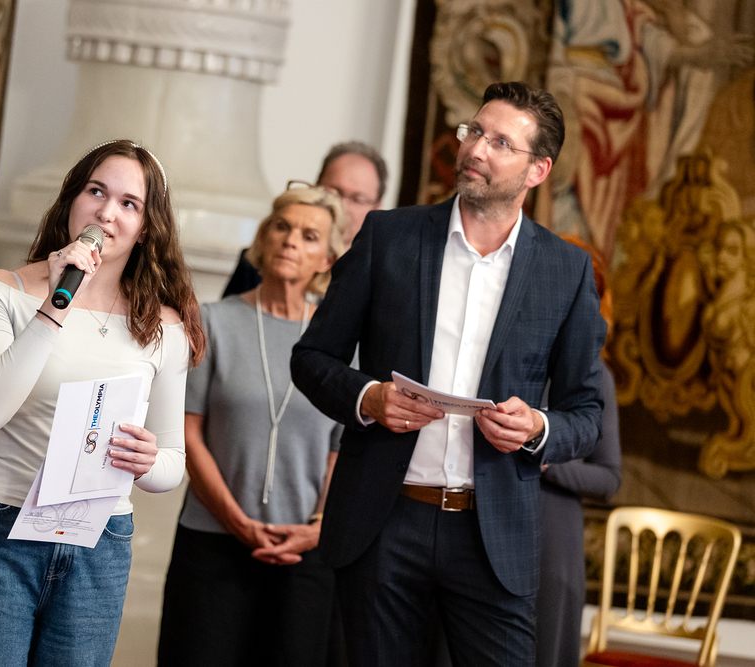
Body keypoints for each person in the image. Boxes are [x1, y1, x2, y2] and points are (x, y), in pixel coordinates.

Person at [290, 82, 608, 666]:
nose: (477, 149)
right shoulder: (388, 237)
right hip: (383, 522)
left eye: (501, 142)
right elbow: (311, 359)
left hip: (494, 535)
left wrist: (537, 428)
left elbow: (586, 415)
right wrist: (370, 397)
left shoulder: (566, 270)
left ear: (538, 170)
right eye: (475, 131)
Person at [0, 140, 205, 667]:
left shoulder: (163, 326)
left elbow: (171, 464)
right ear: (71, 199)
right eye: (96, 191)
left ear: (147, 227)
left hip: (100, 541)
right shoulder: (0, 291)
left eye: (129, 203)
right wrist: (55, 306)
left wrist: (147, 462)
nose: (106, 212)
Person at [157, 185, 348, 667]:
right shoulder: (213, 322)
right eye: (282, 227)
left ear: (327, 259)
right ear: (263, 238)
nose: (290, 240)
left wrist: (319, 527)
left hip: (303, 553)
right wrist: (237, 522)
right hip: (212, 545)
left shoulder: (340, 341)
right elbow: (188, 434)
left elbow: (340, 451)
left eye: (309, 236)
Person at [536, 235, 622, 667]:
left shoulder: (596, 375)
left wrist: (547, 461)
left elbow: (609, 478)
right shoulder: (505, 356)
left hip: (553, 545)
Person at [222, 141, 387, 297]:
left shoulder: (382, 278)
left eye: (357, 199)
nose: (342, 205)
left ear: (378, 208)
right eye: (333, 192)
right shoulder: (264, 259)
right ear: (315, 189)